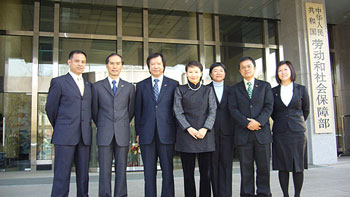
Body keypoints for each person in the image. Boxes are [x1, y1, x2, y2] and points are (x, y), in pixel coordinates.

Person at [46, 50, 92, 197]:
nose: (80, 64)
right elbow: (51, 108)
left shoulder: (89, 85)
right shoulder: (58, 82)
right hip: (64, 136)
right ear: (69, 62)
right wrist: (60, 126)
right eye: (77, 61)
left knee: (83, 176)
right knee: (62, 175)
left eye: (83, 62)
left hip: (84, 137)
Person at [134, 53, 179, 197]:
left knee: (167, 171)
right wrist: (138, 133)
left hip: (167, 134)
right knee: (149, 172)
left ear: (164, 65)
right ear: (149, 67)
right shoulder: (141, 85)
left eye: (158, 63)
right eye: (152, 64)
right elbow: (137, 111)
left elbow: (176, 110)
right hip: (147, 135)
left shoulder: (173, 84)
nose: (156, 66)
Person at [228, 56, 274, 197]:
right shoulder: (234, 89)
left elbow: (268, 107)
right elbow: (233, 109)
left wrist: (258, 122)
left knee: (264, 168)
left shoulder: (265, 86)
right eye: (243, 67)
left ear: (254, 68)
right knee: (245, 169)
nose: (246, 69)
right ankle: (247, 194)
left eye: (249, 66)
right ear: (239, 70)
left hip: (262, 134)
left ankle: (264, 193)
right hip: (243, 134)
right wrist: (247, 123)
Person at [92, 53, 135, 197]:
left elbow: (131, 110)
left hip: (122, 133)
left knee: (121, 169)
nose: (114, 66)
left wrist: (121, 124)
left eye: (117, 63)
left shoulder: (129, 87)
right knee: (104, 170)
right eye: (111, 63)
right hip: (104, 133)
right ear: (106, 65)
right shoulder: (97, 87)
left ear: (122, 66)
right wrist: (104, 124)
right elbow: (94, 111)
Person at [174, 60, 217, 197]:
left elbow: (212, 110)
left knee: (206, 174)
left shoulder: (208, 90)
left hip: (205, 136)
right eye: (190, 72)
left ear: (201, 73)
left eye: (196, 72)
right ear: (186, 73)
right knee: (188, 174)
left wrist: (205, 128)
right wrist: (189, 128)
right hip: (186, 136)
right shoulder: (180, 90)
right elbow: (177, 111)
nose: (193, 74)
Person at [271, 61, 310, 197]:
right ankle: (285, 194)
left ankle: (297, 195)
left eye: (285, 69)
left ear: (291, 71)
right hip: (280, 132)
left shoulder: (301, 89)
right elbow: (272, 112)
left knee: (297, 166)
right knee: (283, 166)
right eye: (280, 70)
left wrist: (295, 121)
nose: (283, 72)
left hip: (297, 133)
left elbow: (306, 110)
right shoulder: (273, 91)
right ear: (277, 74)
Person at [208, 62, 235, 197]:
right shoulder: (205, 89)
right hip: (210, 133)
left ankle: (226, 194)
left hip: (227, 133)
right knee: (213, 166)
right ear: (210, 74)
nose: (218, 73)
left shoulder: (232, 90)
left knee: (226, 165)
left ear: (225, 73)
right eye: (215, 71)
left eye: (221, 70)